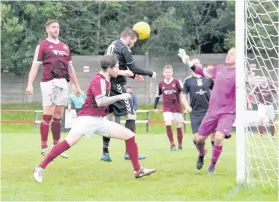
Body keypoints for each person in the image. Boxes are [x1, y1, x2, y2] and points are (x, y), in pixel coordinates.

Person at [33, 55, 156, 183]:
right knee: (68, 143)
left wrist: (132, 74)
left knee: (129, 135)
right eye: (117, 67)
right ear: (109, 68)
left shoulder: (107, 76)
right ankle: (40, 167)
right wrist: (121, 97)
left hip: (98, 120)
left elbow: (120, 72)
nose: (118, 69)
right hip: (87, 119)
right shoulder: (100, 80)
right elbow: (100, 102)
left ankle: (138, 170)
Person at [26, 20, 82, 158]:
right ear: (47, 29)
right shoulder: (43, 46)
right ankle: (44, 147)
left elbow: (70, 67)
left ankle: (56, 147)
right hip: (49, 82)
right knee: (48, 114)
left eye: (58, 27)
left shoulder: (65, 47)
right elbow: (35, 66)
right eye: (53, 27)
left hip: (63, 82)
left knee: (58, 115)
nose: (56, 29)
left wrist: (76, 85)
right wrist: (29, 84)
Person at [101, 28, 156, 162]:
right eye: (134, 42)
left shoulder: (112, 45)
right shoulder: (124, 48)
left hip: (106, 84)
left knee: (109, 119)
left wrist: (133, 75)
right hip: (116, 86)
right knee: (131, 114)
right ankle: (129, 152)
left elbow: (116, 68)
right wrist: (150, 73)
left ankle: (105, 152)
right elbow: (133, 68)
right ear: (129, 39)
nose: (133, 45)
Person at [178, 47, 236, 174]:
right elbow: (201, 70)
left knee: (219, 137)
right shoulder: (219, 69)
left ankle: (212, 165)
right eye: (228, 53)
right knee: (198, 140)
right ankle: (202, 152)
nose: (228, 56)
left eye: (232, 54)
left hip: (228, 112)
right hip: (212, 111)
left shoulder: (239, 73)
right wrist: (188, 62)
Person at [180, 58, 215, 147]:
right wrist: (187, 106)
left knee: (213, 134)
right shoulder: (187, 80)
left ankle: (215, 155)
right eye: (194, 63)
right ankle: (201, 153)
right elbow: (183, 95)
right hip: (195, 112)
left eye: (198, 63)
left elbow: (216, 92)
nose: (196, 65)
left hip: (209, 111)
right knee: (197, 138)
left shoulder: (208, 78)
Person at [153, 65, 184, 151]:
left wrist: (184, 104)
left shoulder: (177, 81)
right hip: (167, 107)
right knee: (167, 123)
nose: (168, 74)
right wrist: (155, 107)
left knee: (178, 126)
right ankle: (172, 144)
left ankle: (180, 144)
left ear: (172, 73)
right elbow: (157, 96)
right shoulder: (160, 84)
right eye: (166, 72)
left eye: (169, 72)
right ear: (163, 73)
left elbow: (183, 93)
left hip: (177, 106)